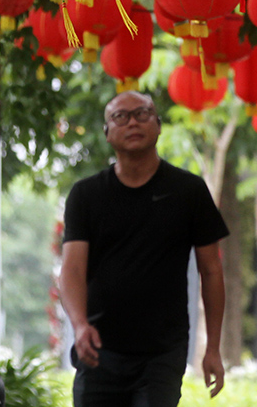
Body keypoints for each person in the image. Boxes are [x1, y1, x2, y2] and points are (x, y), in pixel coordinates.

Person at [59, 91, 228, 407]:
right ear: (108, 133)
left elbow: (212, 269)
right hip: (98, 349)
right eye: (120, 117)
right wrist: (79, 325)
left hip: (162, 352)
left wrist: (214, 347)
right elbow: (72, 269)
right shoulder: (86, 195)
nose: (133, 122)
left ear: (159, 125)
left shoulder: (188, 191)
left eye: (143, 113)